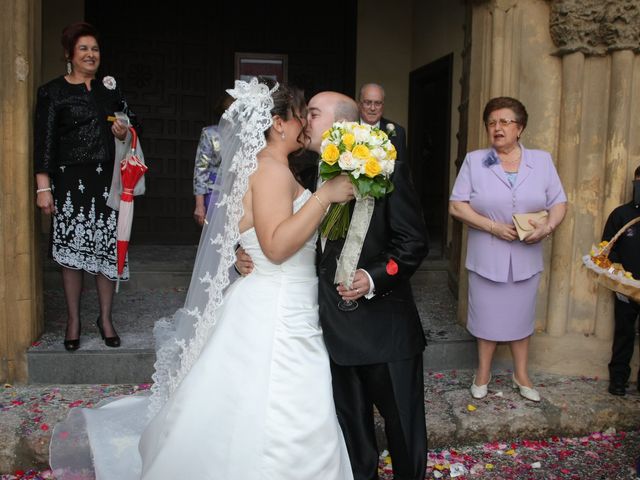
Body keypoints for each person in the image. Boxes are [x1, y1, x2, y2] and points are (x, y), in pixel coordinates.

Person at [50, 78, 356, 480]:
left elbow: (247, 231)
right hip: (277, 309)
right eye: (301, 116)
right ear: (279, 124)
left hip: (281, 301)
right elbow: (278, 246)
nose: (305, 125)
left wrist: (243, 251)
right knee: (280, 403)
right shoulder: (270, 171)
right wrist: (324, 197)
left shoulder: (275, 168)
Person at [238, 90, 429, 480]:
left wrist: (374, 276)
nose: (304, 122)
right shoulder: (305, 175)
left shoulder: (387, 169)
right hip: (329, 334)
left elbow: (413, 242)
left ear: (340, 125)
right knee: (352, 439)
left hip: (384, 332)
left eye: (312, 113)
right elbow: (278, 235)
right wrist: (244, 256)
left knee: (404, 434)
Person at [449, 96, 567, 402]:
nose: (497, 128)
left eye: (505, 122)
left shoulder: (541, 161)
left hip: (526, 256)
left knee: (521, 318)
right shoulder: (476, 161)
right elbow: (457, 206)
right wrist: (493, 226)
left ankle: (521, 374)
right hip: (487, 255)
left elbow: (558, 202)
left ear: (520, 128)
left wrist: (547, 227)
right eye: (491, 122)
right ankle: (483, 373)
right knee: (487, 319)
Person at [34, 22, 138, 351]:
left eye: (94, 49)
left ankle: (105, 318)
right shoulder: (53, 91)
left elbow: (131, 123)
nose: (91, 54)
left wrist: (125, 131)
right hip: (69, 181)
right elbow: (45, 142)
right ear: (69, 54)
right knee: (72, 256)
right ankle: (73, 319)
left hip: (108, 180)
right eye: (83, 49)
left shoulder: (110, 90)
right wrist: (43, 187)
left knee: (107, 250)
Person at [601, 165, 640, 396]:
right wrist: (618, 276)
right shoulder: (621, 215)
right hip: (626, 287)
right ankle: (618, 380)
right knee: (624, 334)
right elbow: (608, 248)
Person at [192, 92, 234, 226]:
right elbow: (200, 169)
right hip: (214, 193)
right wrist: (199, 205)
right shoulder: (210, 134)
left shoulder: (243, 137)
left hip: (238, 193)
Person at [358, 83, 407, 163]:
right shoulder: (347, 129)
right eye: (368, 102)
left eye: (377, 103)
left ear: (383, 106)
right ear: (359, 104)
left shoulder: (396, 131)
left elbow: (401, 169)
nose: (372, 108)